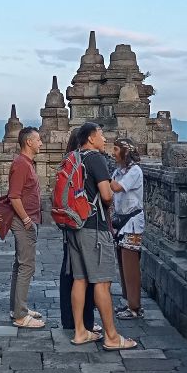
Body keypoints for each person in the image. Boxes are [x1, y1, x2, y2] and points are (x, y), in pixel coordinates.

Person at [67, 122, 137, 350]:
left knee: (80, 279)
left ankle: (80, 332)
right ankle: (112, 337)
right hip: (94, 226)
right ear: (90, 138)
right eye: (101, 134)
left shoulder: (73, 157)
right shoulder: (96, 158)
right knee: (102, 282)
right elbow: (106, 195)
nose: (104, 139)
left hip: (74, 225)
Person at [59, 129, 98, 335]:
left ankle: (69, 319)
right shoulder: (83, 163)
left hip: (69, 222)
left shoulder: (67, 163)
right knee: (83, 275)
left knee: (69, 270)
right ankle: (85, 322)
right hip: (83, 223)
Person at [7, 127, 46, 328]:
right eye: (38, 140)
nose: (41, 143)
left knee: (20, 265)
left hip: (27, 219)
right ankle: (20, 315)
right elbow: (14, 196)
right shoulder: (21, 164)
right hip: (24, 221)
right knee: (26, 266)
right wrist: (26, 219)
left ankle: (17, 307)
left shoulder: (26, 163)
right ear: (29, 142)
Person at [110, 138, 145, 319]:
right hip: (121, 221)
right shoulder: (118, 171)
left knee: (130, 265)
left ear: (125, 152)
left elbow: (116, 188)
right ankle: (127, 300)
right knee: (122, 264)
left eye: (116, 149)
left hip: (132, 222)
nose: (113, 153)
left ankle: (135, 306)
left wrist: (100, 175)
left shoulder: (135, 171)